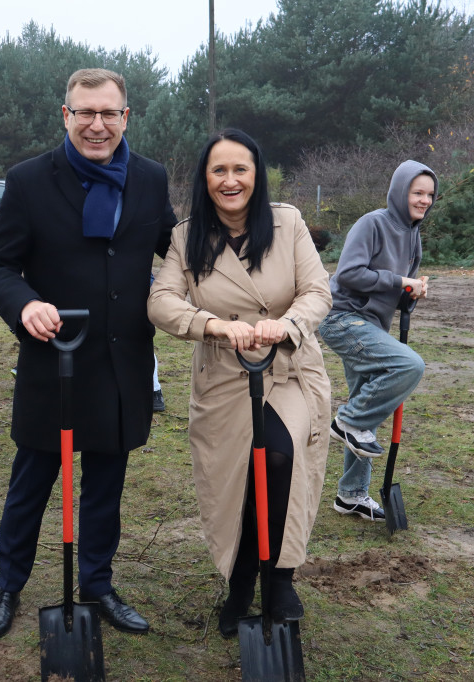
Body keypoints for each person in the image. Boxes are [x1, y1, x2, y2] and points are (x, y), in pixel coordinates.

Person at [0, 67, 177, 640]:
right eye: (84, 113)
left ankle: (98, 582)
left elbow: (176, 247)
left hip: (123, 365)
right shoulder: (30, 180)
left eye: (108, 113)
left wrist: (254, 241)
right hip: (56, 361)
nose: (96, 124)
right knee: (31, 485)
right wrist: (26, 306)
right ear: (66, 115)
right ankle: (8, 585)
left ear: (125, 117)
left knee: (106, 488)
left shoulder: (149, 178)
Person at [148, 128, 333, 637]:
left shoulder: (288, 222)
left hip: (289, 368)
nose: (230, 180)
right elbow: (161, 300)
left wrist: (288, 324)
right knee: (236, 483)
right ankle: (240, 581)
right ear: (204, 179)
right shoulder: (187, 236)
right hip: (226, 376)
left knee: (278, 456)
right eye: (218, 170)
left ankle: (280, 576)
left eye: (241, 169)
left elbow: (317, 291)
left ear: (257, 175)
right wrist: (214, 325)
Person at [317, 160, 435, 522]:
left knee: (363, 424)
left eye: (430, 195)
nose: (424, 200)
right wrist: (401, 282)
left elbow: (393, 287)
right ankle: (348, 419)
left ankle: (351, 495)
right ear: (401, 191)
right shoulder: (373, 223)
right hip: (343, 318)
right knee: (409, 365)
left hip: (372, 325)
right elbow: (350, 273)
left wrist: (409, 294)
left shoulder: (413, 235)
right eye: (417, 192)